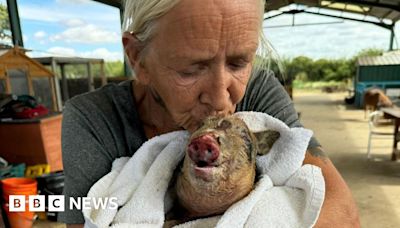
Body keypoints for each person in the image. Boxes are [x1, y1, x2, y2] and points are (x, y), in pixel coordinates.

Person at [58, 0, 360, 227]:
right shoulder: (92, 118)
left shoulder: (258, 90)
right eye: (191, 69)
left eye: (239, 64)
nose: (220, 97)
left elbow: (342, 214)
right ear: (138, 58)